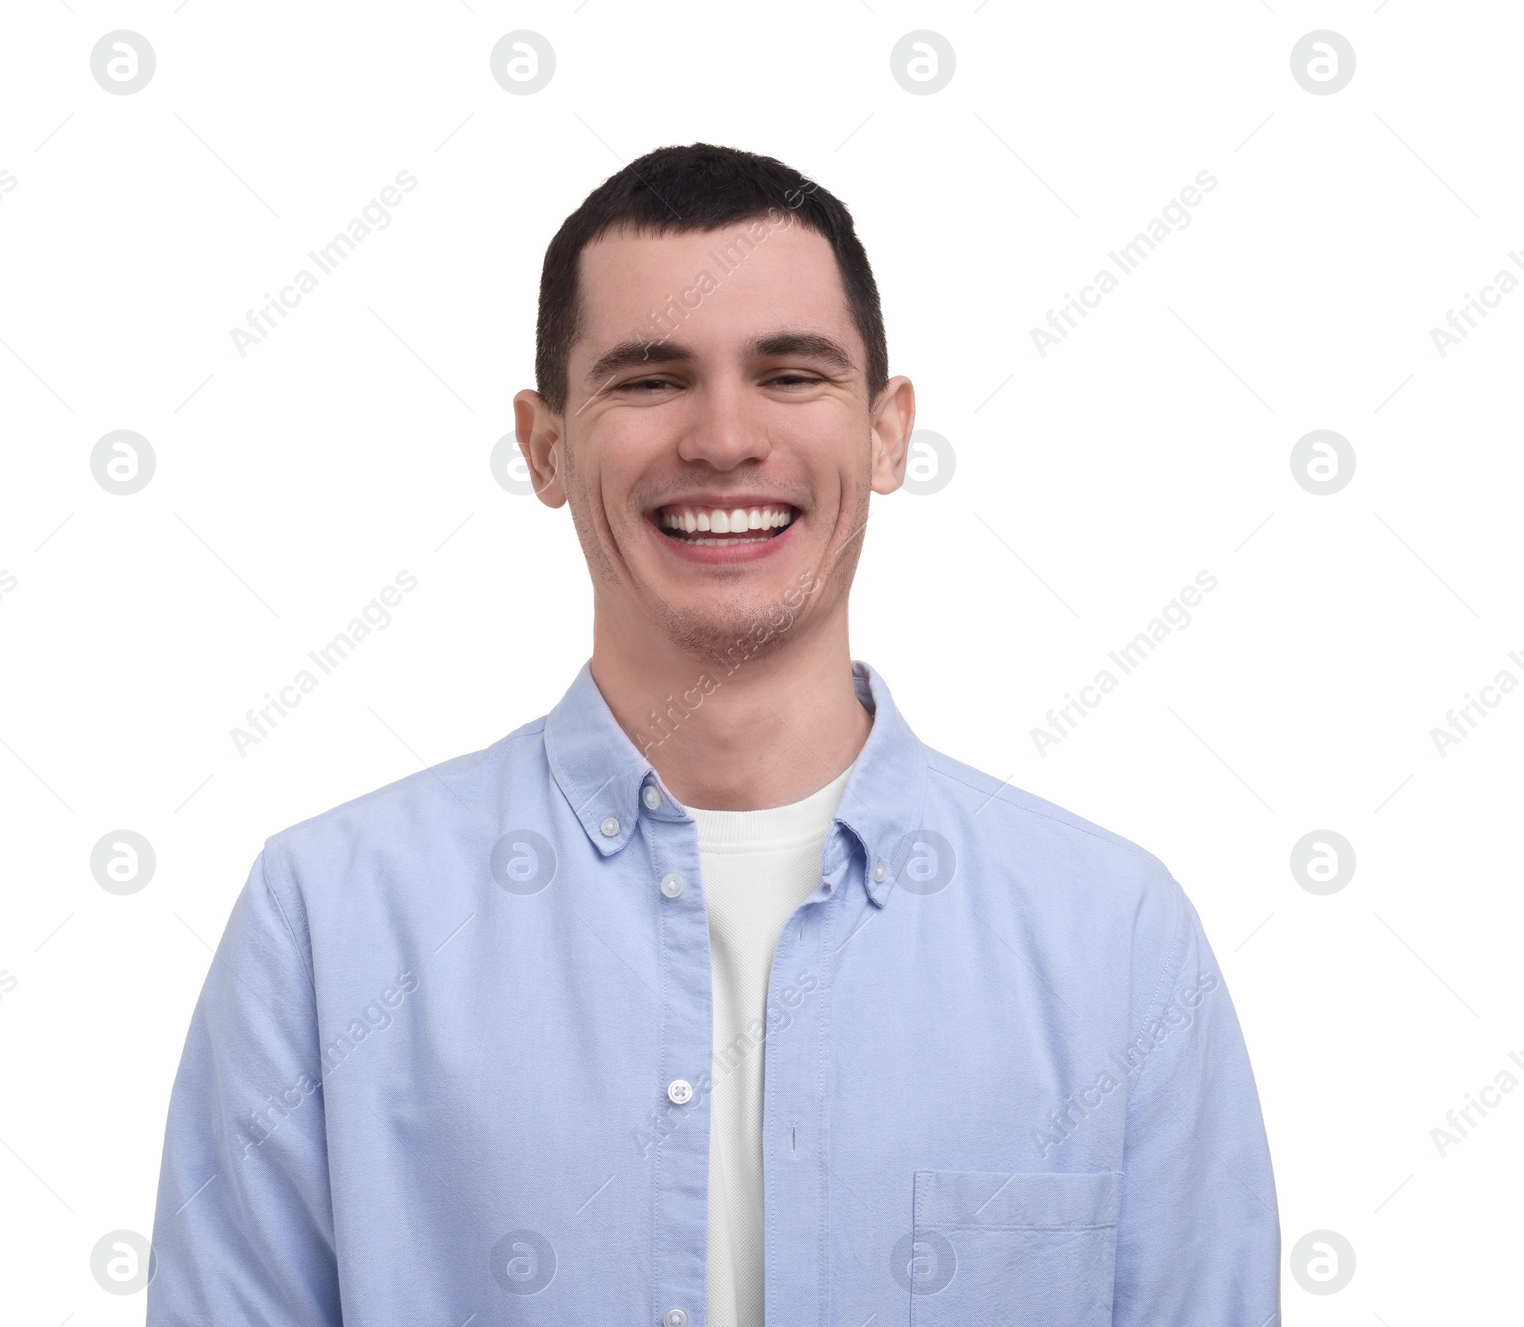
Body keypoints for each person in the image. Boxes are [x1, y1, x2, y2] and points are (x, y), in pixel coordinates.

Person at [146, 142, 1279, 1326]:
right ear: (543, 445)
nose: (724, 437)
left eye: (791, 375)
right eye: (649, 380)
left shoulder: (1115, 936)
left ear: (889, 434)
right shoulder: (329, 922)